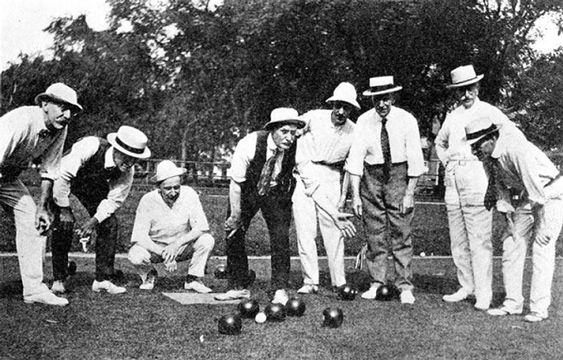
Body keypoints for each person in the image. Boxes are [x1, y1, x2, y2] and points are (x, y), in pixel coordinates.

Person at [465, 118, 563, 322]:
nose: (475, 151)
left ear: (492, 138)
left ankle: (538, 308)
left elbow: (537, 192)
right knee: (511, 243)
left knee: (541, 246)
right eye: (472, 146)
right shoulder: (488, 158)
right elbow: (501, 192)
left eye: (477, 145)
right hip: (529, 196)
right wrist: (509, 223)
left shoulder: (516, 149)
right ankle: (512, 303)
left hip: (551, 194)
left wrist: (543, 226)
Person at [435, 65, 515, 310]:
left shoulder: (489, 111)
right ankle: (466, 286)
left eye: (469, 89)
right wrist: (447, 160)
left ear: (477, 87)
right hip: (453, 177)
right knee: (457, 239)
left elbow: (508, 134)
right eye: (460, 90)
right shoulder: (453, 114)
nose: (465, 94)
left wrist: (493, 165)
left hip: (477, 173)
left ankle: (483, 292)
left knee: (479, 239)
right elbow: (439, 141)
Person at [0, 83, 82, 306]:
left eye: (71, 111)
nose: (67, 115)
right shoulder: (22, 120)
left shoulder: (60, 127)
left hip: (6, 179)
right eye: (62, 107)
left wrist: (42, 206)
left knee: (33, 220)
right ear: (45, 104)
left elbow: (50, 169)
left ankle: (34, 289)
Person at [346, 76, 425, 304]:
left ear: (393, 97)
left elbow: (416, 160)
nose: (382, 104)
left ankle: (404, 286)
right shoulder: (363, 121)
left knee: (401, 231)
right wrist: (355, 196)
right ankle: (377, 282)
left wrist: (409, 193)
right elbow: (355, 160)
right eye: (377, 99)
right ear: (372, 99)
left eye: (386, 99)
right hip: (371, 176)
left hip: (399, 176)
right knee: (374, 233)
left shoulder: (407, 120)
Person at [215, 107, 306, 304]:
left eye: (293, 132)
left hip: (276, 192)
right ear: (273, 129)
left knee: (281, 236)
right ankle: (238, 286)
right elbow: (236, 183)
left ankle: (280, 288)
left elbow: (310, 180)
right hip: (247, 190)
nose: (290, 137)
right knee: (234, 232)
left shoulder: (298, 147)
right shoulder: (249, 143)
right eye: (284, 131)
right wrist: (235, 215)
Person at [50, 125, 151, 295]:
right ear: (116, 149)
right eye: (126, 157)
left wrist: (93, 222)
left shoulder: (128, 170)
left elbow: (113, 200)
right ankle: (59, 278)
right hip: (62, 179)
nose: (130, 163)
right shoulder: (91, 145)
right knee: (64, 222)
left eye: (135, 159)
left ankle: (102, 279)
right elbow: (64, 176)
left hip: (91, 187)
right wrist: (65, 210)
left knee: (109, 223)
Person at [293, 82, 358, 294]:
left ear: (351, 109)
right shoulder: (314, 116)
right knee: (305, 229)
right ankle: (310, 281)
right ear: (332, 104)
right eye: (338, 105)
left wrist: (343, 197)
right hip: (304, 173)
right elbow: (293, 130)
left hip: (332, 175)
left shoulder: (354, 131)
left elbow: (351, 166)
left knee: (334, 227)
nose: (340, 111)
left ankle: (339, 281)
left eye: (346, 107)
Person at [128, 160, 214, 292]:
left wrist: (175, 246)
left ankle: (193, 278)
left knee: (206, 240)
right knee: (135, 254)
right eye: (168, 188)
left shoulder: (189, 194)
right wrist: (164, 253)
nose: (173, 192)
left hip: (181, 247)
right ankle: (149, 274)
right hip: (156, 249)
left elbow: (201, 227)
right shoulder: (147, 200)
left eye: (176, 187)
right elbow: (139, 236)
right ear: (158, 187)